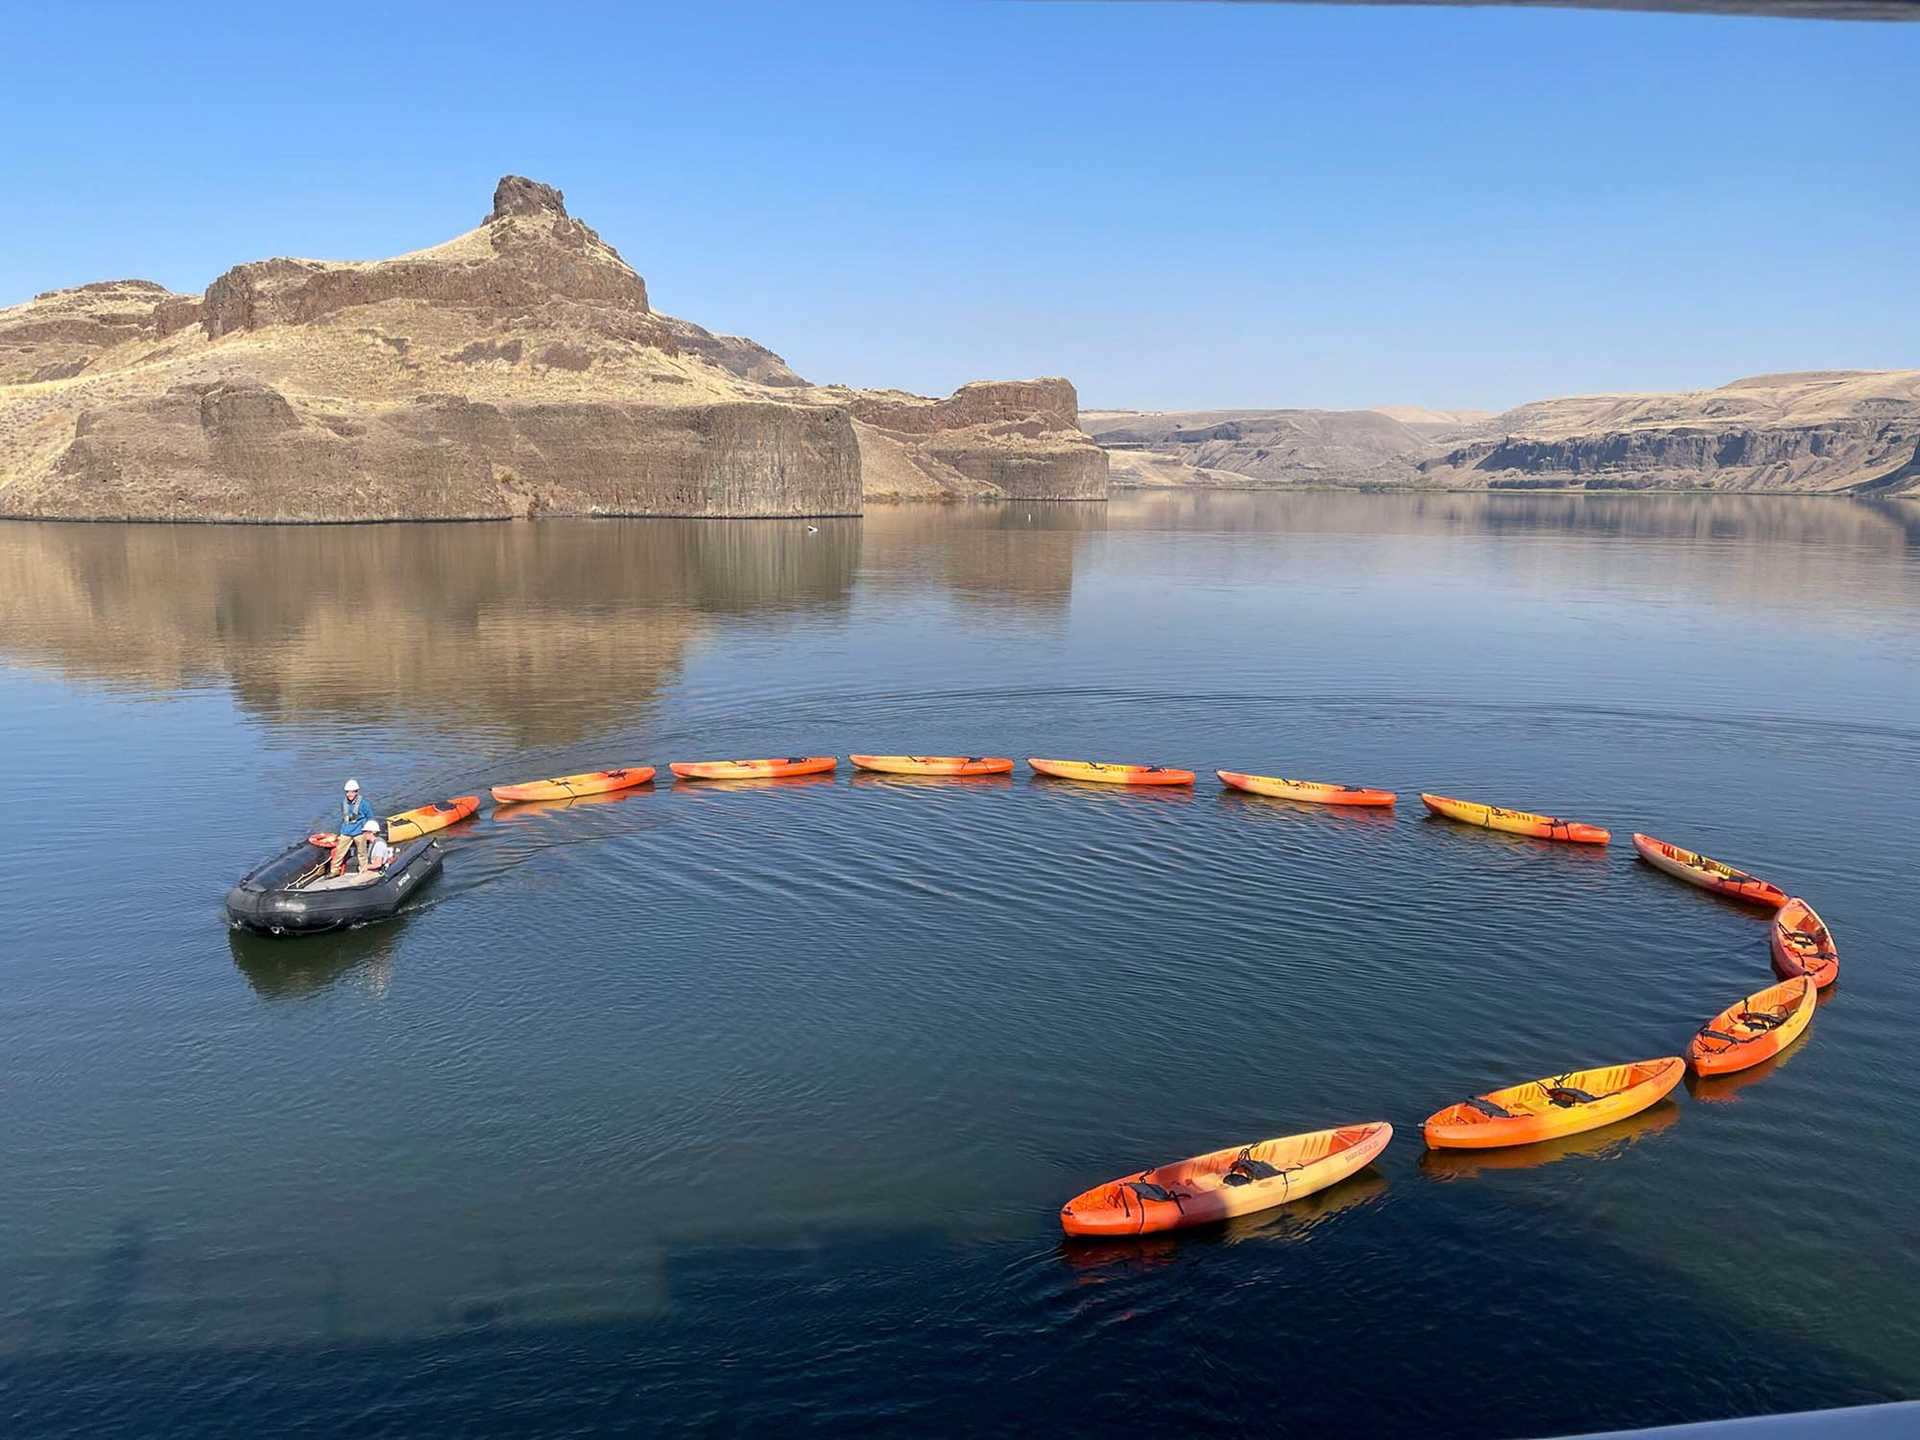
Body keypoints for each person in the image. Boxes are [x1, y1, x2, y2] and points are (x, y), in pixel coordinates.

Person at [329, 778, 375, 876]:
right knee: (339, 852)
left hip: (359, 831)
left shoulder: (364, 804)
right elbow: (344, 816)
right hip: (346, 831)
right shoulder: (344, 803)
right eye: (347, 792)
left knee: (362, 853)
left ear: (356, 792)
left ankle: (363, 870)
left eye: (352, 792)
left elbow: (370, 817)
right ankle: (335, 870)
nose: (349, 794)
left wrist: (367, 830)